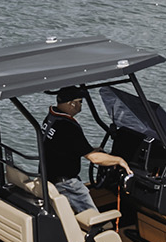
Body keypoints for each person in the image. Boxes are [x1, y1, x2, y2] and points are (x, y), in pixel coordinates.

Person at [40, 86, 130, 215]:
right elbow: (94, 158)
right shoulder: (68, 126)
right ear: (72, 103)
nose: (81, 105)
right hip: (66, 185)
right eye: (80, 101)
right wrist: (119, 160)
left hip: (49, 177)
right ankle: (97, 232)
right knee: (93, 218)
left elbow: (63, 145)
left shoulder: (52, 118)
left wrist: (92, 150)